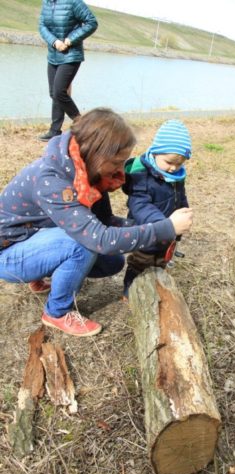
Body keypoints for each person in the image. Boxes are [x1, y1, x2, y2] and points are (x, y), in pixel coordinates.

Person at [0, 108, 193, 337]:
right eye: (118, 162)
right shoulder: (52, 180)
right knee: (81, 245)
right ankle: (57, 312)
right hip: (7, 253)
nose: (121, 170)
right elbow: (99, 238)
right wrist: (166, 228)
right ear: (98, 153)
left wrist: (143, 227)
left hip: (33, 237)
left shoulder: (87, 173)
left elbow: (105, 221)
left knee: (112, 263)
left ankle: (39, 272)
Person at [122, 119, 191, 299]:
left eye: (180, 163)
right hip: (147, 231)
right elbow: (139, 206)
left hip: (168, 231)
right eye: (169, 162)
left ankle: (155, 281)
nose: (174, 167)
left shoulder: (175, 174)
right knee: (140, 261)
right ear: (155, 153)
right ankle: (129, 291)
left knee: (162, 259)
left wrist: (184, 211)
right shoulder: (142, 176)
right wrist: (164, 224)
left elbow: (180, 196)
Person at [39, 0, 98, 142]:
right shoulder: (46, 2)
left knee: (59, 92)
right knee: (54, 93)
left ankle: (83, 124)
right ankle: (55, 131)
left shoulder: (74, 2)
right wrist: (54, 41)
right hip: (53, 54)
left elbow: (92, 22)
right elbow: (42, 26)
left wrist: (71, 39)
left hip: (71, 55)